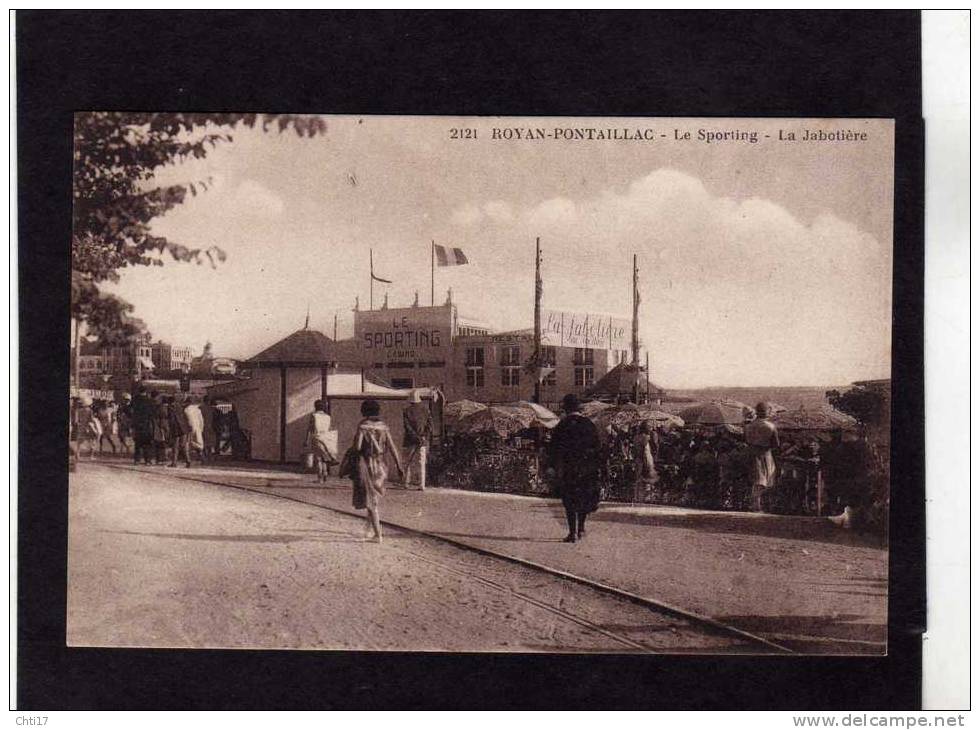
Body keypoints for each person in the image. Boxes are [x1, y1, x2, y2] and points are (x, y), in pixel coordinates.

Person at [547, 394, 604, 543]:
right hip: (587, 469)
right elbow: (598, 447)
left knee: (570, 500)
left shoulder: (562, 425)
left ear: (566, 408)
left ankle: (572, 533)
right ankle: (581, 528)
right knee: (584, 498)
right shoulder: (589, 424)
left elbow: (554, 448)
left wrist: (551, 466)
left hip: (569, 468)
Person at [350, 399, 403, 543]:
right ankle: (368, 530)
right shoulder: (384, 427)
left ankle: (378, 535)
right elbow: (392, 447)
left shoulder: (363, 426)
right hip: (381, 466)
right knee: (374, 500)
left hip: (368, 465)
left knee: (371, 501)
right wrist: (399, 466)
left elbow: (358, 447)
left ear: (364, 411)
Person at [744, 401, 780, 511]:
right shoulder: (771, 426)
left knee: (756, 480)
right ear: (767, 412)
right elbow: (776, 444)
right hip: (765, 454)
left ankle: (756, 504)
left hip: (750, 453)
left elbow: (745, 440)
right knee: (765, 481)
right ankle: (755, 503)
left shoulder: (748, 426)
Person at [402, 389, 432, 490]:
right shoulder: (426, 410)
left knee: (407, 462)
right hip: (422, 440)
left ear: (410, 400)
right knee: (421, 463)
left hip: (409, 440)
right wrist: (423, 436)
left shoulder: (406, 411)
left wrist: (415, 437)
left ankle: (406, 483)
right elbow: (430, 426)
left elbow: (407, 427)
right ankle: (422, 485)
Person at [306, 399, 338, 482]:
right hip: (326, 438)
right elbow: (329, 428)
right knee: (324, 458)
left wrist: (306, 439)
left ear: (315, 406)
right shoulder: (328, 417)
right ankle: (325, 474)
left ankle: (320, 478)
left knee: (318, 458)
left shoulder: (314, 416)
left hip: (317, 437)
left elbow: (310, 428)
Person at [131, 387, 156, 465]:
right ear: (146, 392)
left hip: (137, 423)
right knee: (147, 442)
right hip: (147, 423)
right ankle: (147, 460)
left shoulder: (134, 400)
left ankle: (137, 460)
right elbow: (153, 413)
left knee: (138, 442)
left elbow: (130, 411)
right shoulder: (150, 401)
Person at [168, 394, 192, 467]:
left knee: (175, 446)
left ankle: (174, 462)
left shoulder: (170, 408)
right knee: (184, 445)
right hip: (184, 428)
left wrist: (170, 429)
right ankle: (188, 460)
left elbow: (171, 420)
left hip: (176, 428)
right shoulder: (180, 407)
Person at [184, 396, 205, 465]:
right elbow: (201, 420)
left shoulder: (186, 410)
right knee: (198, 442)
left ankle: (188, 460)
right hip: (198, 427)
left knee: (187, 443)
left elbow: (187, 420)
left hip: (189, 428)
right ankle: (201, 456)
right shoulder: (198, 410)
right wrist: (201, 428)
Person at [200, 396, 217, 461]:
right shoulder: (212, 409)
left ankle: (204, 456)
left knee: (204, 442)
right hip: (211, 427)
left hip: (203, 427)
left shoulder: (200, 408)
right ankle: (210, 456)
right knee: (210, 443)